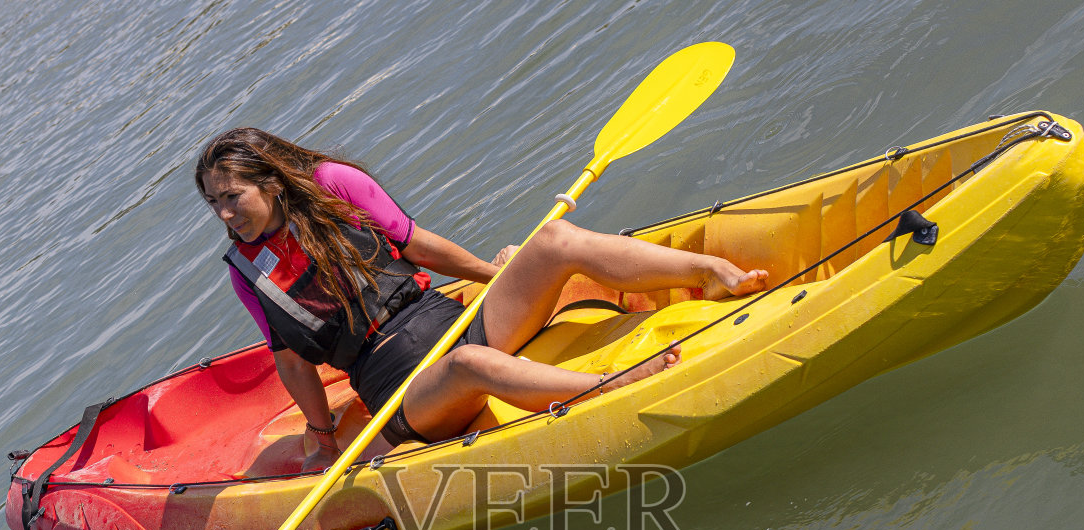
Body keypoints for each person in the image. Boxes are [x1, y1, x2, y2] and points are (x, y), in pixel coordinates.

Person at [195, 127, 767, 467]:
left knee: (552, 239)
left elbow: (420, 246)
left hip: (451, 321)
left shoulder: (334, 186)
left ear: (269, 180)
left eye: (231, 196)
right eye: (213, 203)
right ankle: (606, 388)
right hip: (405, 394)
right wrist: (321, 440)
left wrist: (497, 277)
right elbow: (291, 361)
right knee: (470, 366)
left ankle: (710, 271)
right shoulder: (247, 272)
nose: (224, 214)